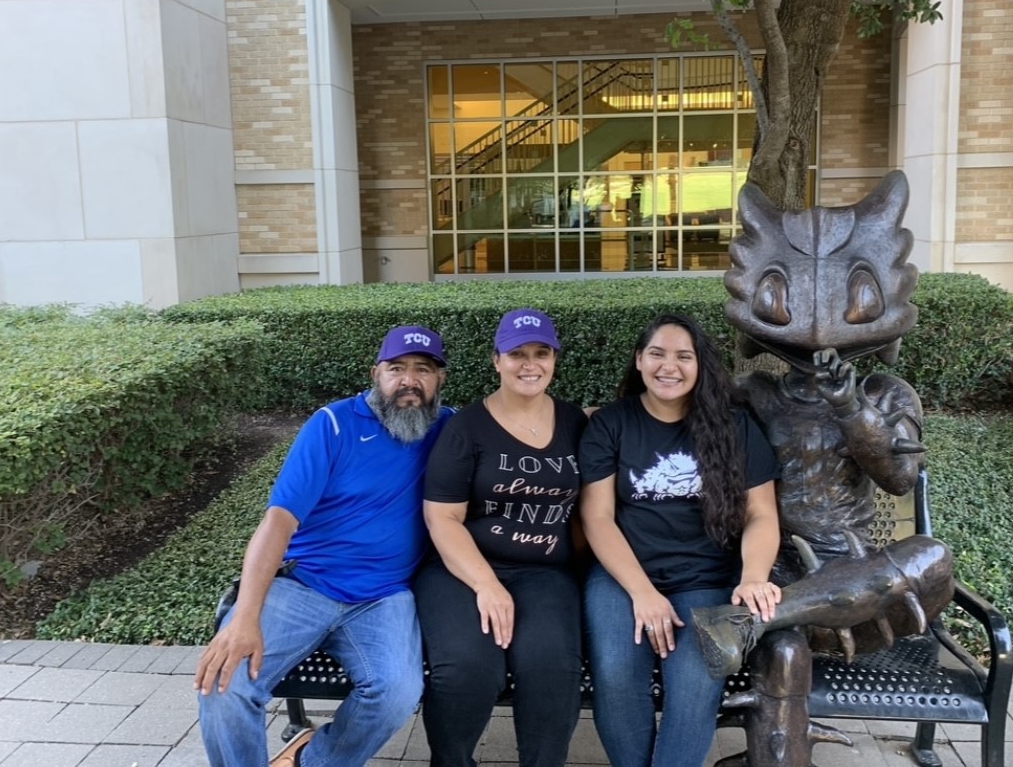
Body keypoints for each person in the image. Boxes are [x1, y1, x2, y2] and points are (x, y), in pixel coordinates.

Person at [195, 325, 455, 767]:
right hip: (304, 586)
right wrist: (245, 617)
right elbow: (278, 521)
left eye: (423, 369)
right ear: (376, 373)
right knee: (225, 683)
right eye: (397, 369)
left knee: (396, 693)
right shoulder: (332, 424)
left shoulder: (450, 428)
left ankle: (309, 761)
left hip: (384, 597)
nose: (409, 380)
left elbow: (521, 421)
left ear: (440, 380)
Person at [578, 312, 782, 767]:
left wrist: (753, 577)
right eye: (657, 354)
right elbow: (597, 517)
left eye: (683, 356)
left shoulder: (734, 427)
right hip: (622, 577)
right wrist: (643, 593)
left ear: (699, 365)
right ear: (639, 360)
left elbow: (762, 513)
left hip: (706, 577)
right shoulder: (612, 424)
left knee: (695, 682)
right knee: (616, 673)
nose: (668, 366)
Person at [414, 308, 589, 767]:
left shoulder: (575, 423)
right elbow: (443, 519)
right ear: (496, 360)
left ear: (554, 360)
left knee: (552, 668)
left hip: (545, 573)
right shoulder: (466, 428)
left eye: (541, 353)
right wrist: (487, 585)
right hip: (461, 571)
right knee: (469, 670)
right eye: (516, 354)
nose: (529, 364)